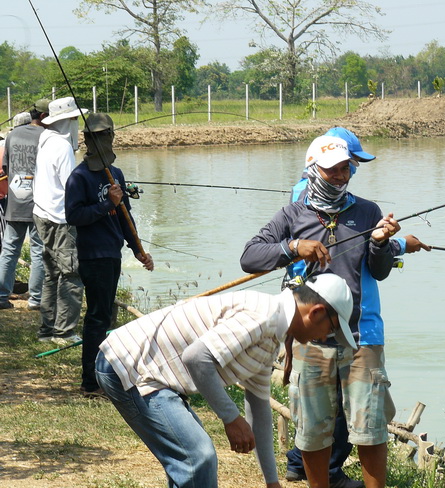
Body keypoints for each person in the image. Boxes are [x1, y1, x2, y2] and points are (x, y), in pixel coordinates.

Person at [241, 135, 418, 488]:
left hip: (360, 337)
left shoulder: (367, 211)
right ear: (312, 171)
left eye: (344, 169)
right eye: (331, 170)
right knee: (312, 429)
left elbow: (379, 270)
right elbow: (250, 257)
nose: (340, 175)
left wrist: (381, 242)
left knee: (369, 427)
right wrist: (293, 247)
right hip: (310, 337)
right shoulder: (292, 214)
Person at [96, 273, 357, 488]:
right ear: (317, 312)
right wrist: (230, 417)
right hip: (131, 365)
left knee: (192, 460)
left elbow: (258, 407)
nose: (325, 338)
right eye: (332, 328)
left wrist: (271, 481)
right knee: (197, 458)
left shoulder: (272, 335)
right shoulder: (264, 314)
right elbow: (197, 358)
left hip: (154, 376)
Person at [65, 113, 154, 398]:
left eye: (106, 135)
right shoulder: (79, 177)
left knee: (105, 316)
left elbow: (125, 217)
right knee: (97, 318)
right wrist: (106, 203)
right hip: (94, 256)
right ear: (89, 140)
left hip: (112, 255)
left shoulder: (115, 174)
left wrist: (139, 250)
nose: (102, 141)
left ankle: (102, 374)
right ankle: (91, 382)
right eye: (96, 136)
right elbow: (74, 216)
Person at [33, 97, 86, 344]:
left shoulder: (45, 141)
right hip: (59, 218)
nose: (77, 124)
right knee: (71, 273)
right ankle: (64, 332)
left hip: (42, 213)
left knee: (52, 273)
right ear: (67, 122)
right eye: (75, 119)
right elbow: (71, 187)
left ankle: (47, 329)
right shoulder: (62, 147)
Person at [0, 102, 49, 311]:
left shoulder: (13, 135)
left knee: (9, 249)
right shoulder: (47, 137)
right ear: (45, 116)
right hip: (38, 202)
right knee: (38, 250)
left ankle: (1, 297)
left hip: (15, 200)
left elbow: (5, 167)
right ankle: (36, 299)